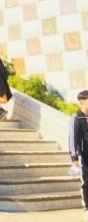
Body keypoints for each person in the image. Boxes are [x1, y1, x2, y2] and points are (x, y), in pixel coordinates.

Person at [69, 90, 88, 218]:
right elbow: (73, 138)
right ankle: (87, 208)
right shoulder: (76, 117)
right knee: (87, 183)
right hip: (85, 156)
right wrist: (74, 158)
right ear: (82, 101)